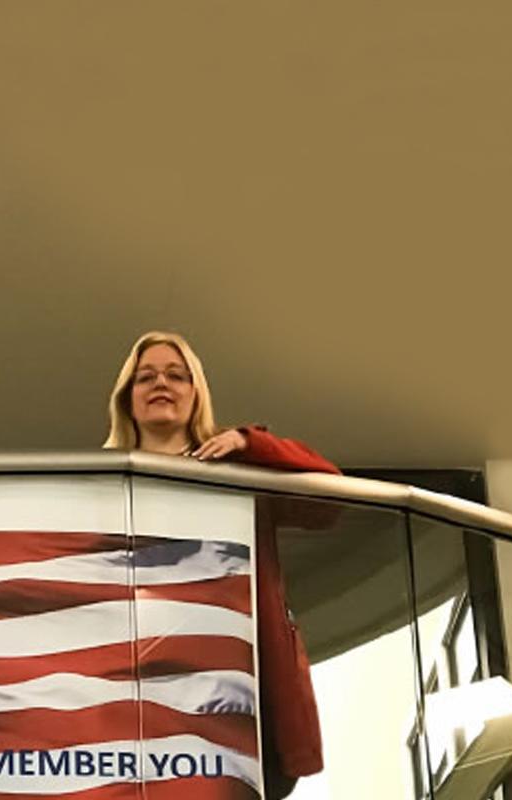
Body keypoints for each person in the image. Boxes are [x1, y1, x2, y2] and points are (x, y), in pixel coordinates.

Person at [103, 330, 333, 799]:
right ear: (128, 399)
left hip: (236, 700)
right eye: (145, 377)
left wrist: (252, 445)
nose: (160, 383)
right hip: (140, 697)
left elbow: (326, 501)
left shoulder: (239, 472)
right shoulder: (103, 485)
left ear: (196, 392)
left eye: (176, 374)